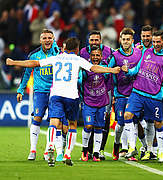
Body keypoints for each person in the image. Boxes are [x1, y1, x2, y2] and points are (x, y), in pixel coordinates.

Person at [6, 37, 120, 167]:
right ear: (77, 49)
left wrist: (14, 62)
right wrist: (111, 70)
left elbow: (34, 63)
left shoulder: (56, 58)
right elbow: (94, 68)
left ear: (65, 48)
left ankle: (50, 145)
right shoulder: (78, 59)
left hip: (56, 95)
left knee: (54, 123)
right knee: (72, 125)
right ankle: (67, 154)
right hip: (71, 96)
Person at [122, 30, 163, 162]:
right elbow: (136, 69)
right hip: (138, 92)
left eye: (158, 42)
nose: (155, 44)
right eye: (154, 42)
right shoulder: (146, 52)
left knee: (157, 123)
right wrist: (127, 72)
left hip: (154, 96)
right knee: (127, 116)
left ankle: (160, 153)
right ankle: (131, 148)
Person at [16, 29, 59, 161]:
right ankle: (33, 150)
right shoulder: (34, 55)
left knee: (54, 122)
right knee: (37, 118)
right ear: (40, 40)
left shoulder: (58, 54)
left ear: (53, 40)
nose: (47, 40)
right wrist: (20, 90)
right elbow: (26, 73)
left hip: (55, 92)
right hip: (40, 92)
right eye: (44, 38)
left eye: (49, 38)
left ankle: (47, 151)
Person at [108, 28, 143, 161]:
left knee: (133, 122)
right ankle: (117, 145)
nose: (126, 42)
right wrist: (113, 70)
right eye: (124, 39)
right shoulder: (116, 55)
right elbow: (108, 72)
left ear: (132, 41)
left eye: (128, 39)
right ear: (120, 40)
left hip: (135, 93)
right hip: (120, 94)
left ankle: (132, 149)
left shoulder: (139, 53)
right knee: (120, 125)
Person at [80, 30, 114, 160]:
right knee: (88, 126)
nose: (95, 57)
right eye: (92, 40)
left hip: (103, 99)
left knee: (100, 126)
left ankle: (97, 152)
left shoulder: (107, 59)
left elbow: (109, 81)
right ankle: (85, 150)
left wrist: (109, 96)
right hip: (89, 100)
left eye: (96, 40)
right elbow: (80, 81)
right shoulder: (84, 60)